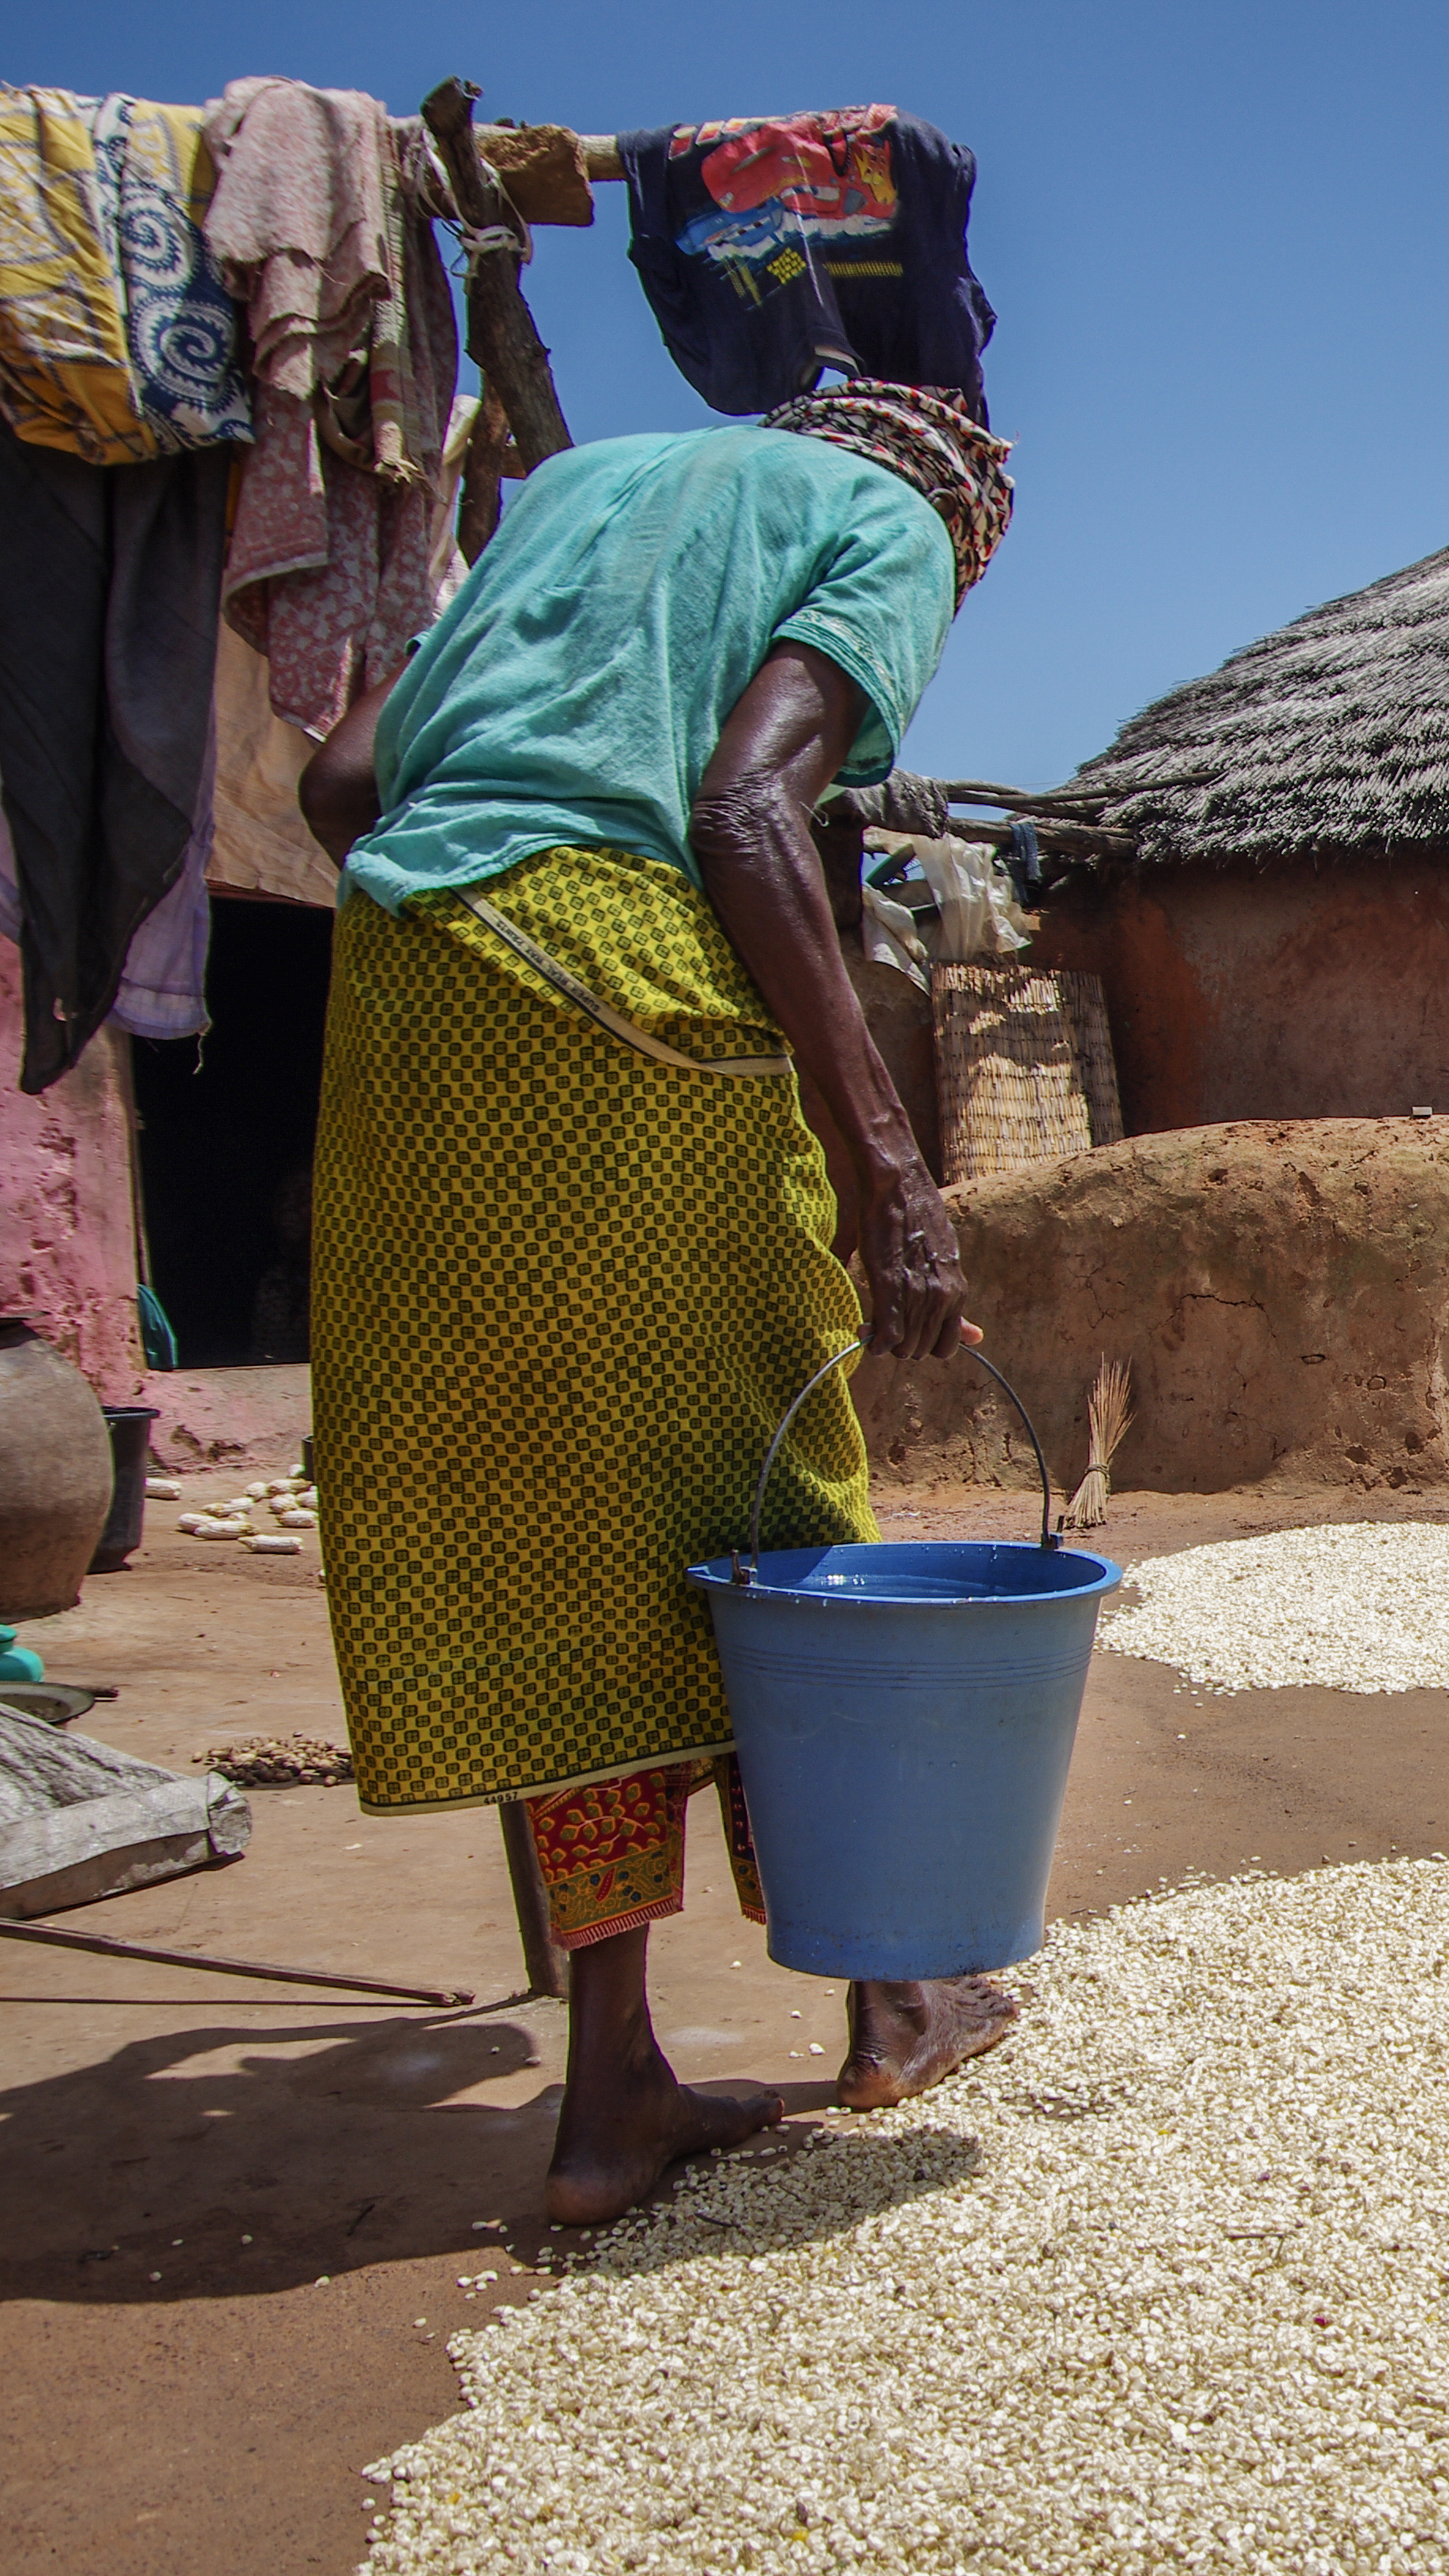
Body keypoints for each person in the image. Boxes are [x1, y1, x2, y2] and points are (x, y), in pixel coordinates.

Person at [300, 381, 1017, 2225]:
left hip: (405, 996)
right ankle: (897, 1993)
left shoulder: (574, 488)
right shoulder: (897, 519)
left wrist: (475, 918)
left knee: (561, 1542)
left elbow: (341, 785)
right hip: (621, 982)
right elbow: (745, 806)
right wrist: (890, 1169)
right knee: (772, 1505)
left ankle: (611, 2087)